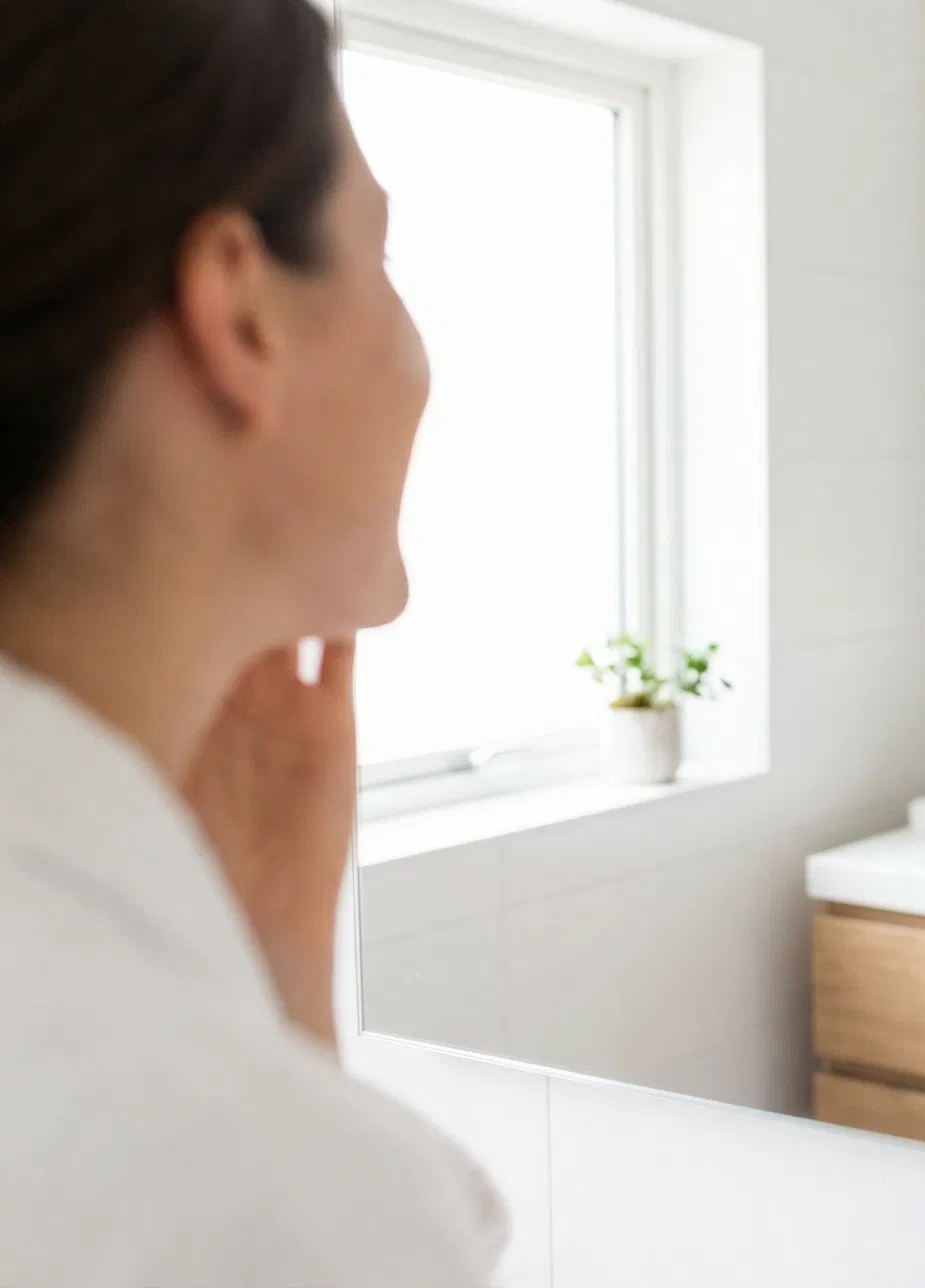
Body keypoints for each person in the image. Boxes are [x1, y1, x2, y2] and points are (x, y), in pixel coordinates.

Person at [0, 1, 505, 1281]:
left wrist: (266, 975)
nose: (417, 349)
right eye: (377, 256)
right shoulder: (268, 1190)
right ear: (239, 312)